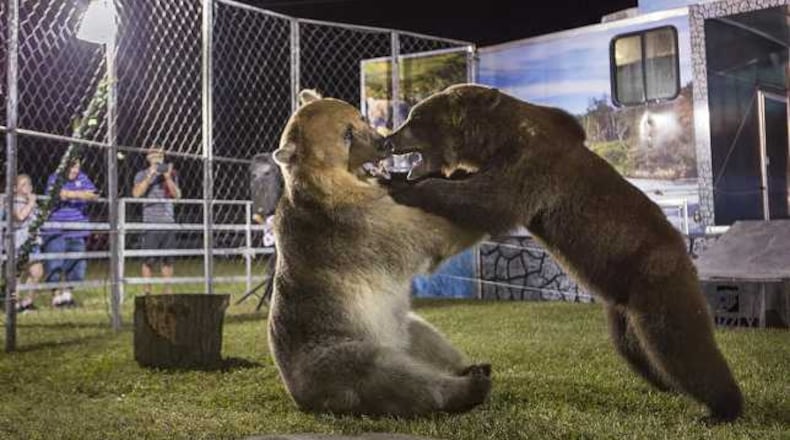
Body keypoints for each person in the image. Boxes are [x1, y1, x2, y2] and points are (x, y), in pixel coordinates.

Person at [42, 159, 99, 307]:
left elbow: (94, 195)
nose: (75, 170)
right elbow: (57, 194)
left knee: (77, 266)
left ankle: (67, 296)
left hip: (77, 229)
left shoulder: (83, 177)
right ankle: (56, 297)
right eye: (72, 167)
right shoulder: (55, 177)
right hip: (56, 228)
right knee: (54, 264)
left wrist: (70, 194)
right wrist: (81, 194)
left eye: (77, 167)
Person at [133, 146, 181, 295]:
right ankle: (147, 291)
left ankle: (167, 291)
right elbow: (136, 194)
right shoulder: (141, 174)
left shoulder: (171, 173)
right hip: (150, 222)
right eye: (153, 155)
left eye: (160, 155)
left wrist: (167, 178)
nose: (157, 158)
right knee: (148, 260)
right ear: (148, 158)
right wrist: (150, 176)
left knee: (168, 260)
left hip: (168, 221)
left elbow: (177, 196)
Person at [2, 174, 46, 312]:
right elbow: (20, 217)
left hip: (32, 241)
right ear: (15, 188)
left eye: (29, 184)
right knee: (16, 274)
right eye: (23, 184)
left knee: (37, 272)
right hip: (17, 242)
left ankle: (27, 302)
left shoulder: (32, 202)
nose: (28, 187)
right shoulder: (11, 201)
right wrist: (31, 203)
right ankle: (13, 303)